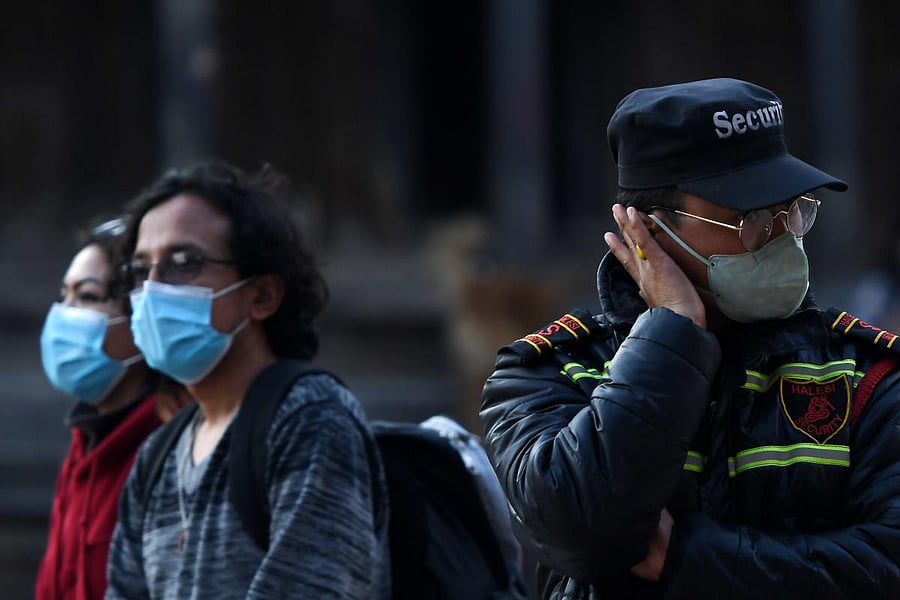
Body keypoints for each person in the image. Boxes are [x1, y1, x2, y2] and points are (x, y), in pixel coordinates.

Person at [480, 78, 900, 598]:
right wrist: (674, 330)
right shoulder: (549, 372)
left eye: (792, 210)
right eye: (749, 219)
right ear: (647, 233)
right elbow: (583, 530)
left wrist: (693, 559)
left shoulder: (866, 376)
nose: (782, 237)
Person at [105, 163, 390, 599]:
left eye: (184, 262)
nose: (155, 289)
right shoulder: (157, 456)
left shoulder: (309, 418)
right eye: (141, 270)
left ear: (261, 296)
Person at [36, 217, 187, 600]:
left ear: (139, 318)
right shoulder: (86, 437)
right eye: (64, 295)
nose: (65, 314)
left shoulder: (173, 447)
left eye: (87, 297)